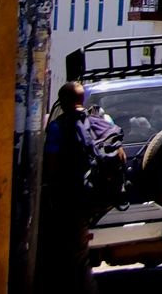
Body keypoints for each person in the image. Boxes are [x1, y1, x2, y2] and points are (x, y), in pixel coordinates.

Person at [41, 81, 112, 293]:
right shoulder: (102, 123)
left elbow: (52, 164)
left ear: (61, 102)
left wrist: (51, 190)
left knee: (74, 255)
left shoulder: (58, 127)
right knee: (78, 250)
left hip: (71, 197)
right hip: (99, 197)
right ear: (82, 100)